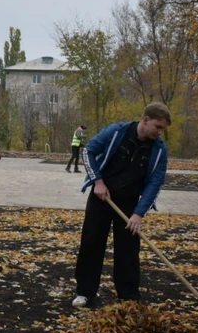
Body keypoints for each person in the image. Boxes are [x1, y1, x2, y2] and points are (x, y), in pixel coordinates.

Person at [72, 103, 171, 308]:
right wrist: (97, 181)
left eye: (163, 129)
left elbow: (155, 183)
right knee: (91, 243)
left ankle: (128, 297)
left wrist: (139, 214)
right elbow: (88, 151)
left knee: (128, 250)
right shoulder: (117, 132)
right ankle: (85, 291)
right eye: (158, 127)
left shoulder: (159, 150)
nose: (160, 132)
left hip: (129, 204)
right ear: (145, 120)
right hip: (102, 196)